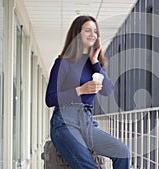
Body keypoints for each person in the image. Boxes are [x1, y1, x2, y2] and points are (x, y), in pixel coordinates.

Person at [45, 15, 130, 169]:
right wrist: (80, 90)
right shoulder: (63, 63)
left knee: (122, 152)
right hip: (64, 123)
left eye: (95, 31)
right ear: (77, 34)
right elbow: (50, 99)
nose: (93, 34)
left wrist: (95, 61)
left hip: (87, 122)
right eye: (87, 30)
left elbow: (108, 90)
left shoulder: (94, 65)